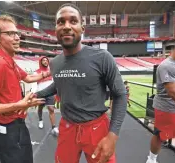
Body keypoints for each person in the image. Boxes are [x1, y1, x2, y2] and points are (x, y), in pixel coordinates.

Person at [35, 3, 127, 163]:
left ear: (82, 28)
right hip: (67, 127)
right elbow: (59, 84)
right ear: (55, 29)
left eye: (73, 21)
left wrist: (113, 136)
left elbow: (120, 95)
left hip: (96, 128)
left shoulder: (102, 57)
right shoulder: (55, 62)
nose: (66, 26)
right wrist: (36, 95)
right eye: (61, 22)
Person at [0, 15, 50, 163]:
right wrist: (18, 105)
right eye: (10, 34)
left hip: (16, 126)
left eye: (17, 33)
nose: (17, 38)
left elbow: (28, 78)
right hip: (8, 128)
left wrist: (52, 71)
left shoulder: (9, 61)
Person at [35, 56, 59, 136]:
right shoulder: (36, 72)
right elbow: (34, 84)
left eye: (46, 60)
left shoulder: (51, 71)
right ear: (40, 62)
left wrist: (55, 93)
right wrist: (35, 93)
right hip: (41, 93)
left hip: (50, 94)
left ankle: (54, 127)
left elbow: (54, 83)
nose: (45, 61)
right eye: (43, 60)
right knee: (40, 108)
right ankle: (40, 120)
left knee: (51, 109)